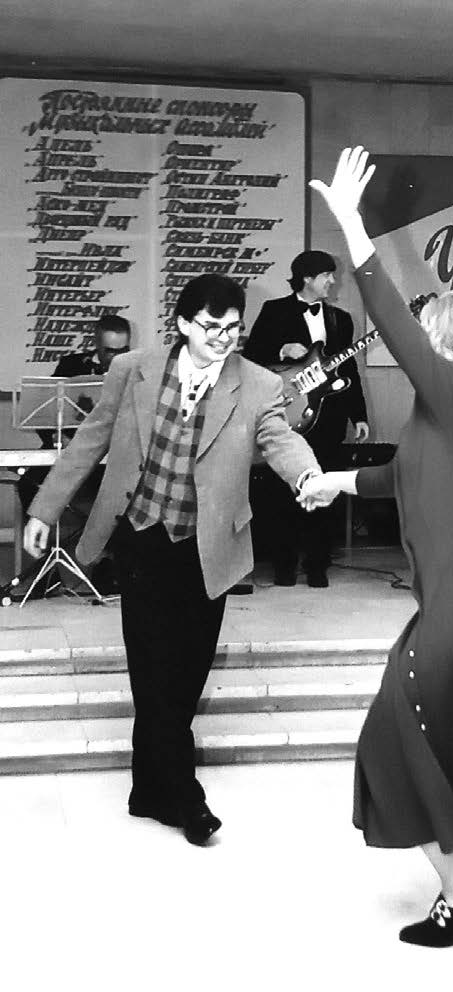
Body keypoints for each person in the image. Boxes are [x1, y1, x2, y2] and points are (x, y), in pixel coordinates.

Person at [299, 147, 453, 948]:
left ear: (448, 343)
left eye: (427, 329)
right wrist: (333, 482)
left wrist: (350, 226)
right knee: (438, 743)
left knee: (391, 740)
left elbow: (391, 318)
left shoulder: (449, 387)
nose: (415, 338)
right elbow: (399, 477)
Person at [24, 273, 321, 846]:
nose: (224, 338)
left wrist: (307, 475)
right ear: (183, 323)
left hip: (208, 547)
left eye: (233, 328)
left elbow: (279, 438)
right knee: (151, 668)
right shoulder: (132, 369)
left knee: (187, 673)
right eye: (211, 327)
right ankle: (187, 796)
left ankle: (147, 789)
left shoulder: (259, 384)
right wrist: (45, 508)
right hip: (140, 539)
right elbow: (90, 440)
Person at [243, 250, 369, 587]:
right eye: (326, 275)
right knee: (282, 491)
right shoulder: (274, 311)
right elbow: (251, 357)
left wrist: (359, 415)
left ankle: (318, 566)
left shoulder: (342, 319)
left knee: (325, 487)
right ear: (307, 278)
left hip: (329, 418)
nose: (332, 281)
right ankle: (283, 565)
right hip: (289, 413)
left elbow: (349, 370)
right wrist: (282, 351)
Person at [16, 315, 132, 596]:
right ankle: (43, 565)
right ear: (96, 345)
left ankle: (109, 565)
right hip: (73, 454)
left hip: (113, 458)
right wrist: (61, 438)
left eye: (123, 350)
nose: (117, 357)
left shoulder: (135, 368)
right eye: (110, 351)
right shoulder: (71, 366)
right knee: (28, 483)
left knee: (124, 492)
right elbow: (46, 414)